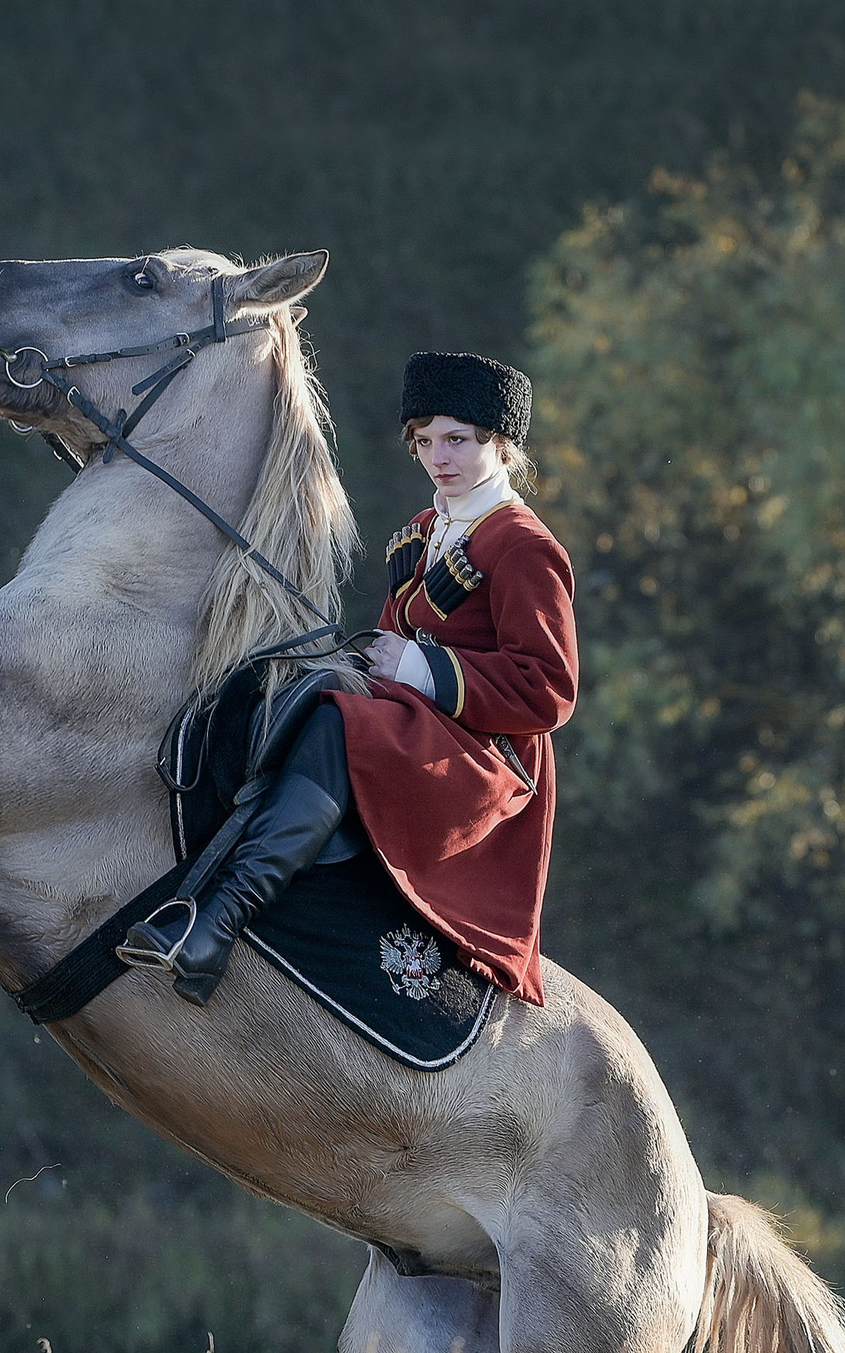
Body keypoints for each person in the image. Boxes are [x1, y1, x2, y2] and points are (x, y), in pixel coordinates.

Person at [120, 351, 577, 1008]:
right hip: (418, 728)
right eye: (423, 441)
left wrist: (420, 669)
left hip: (486, 759)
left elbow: (548, 690)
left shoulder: (524, 546)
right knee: (295, 700)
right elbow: (395, 638)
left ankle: (219, 920)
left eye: (455, 439)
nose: (437, 456)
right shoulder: (425, 531)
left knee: (341, 720)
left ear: (500, 445)